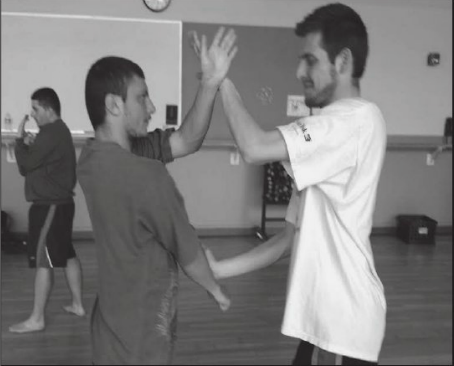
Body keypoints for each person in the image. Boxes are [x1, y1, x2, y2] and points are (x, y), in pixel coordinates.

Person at [198, 3, 387, 365]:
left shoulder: (354, 122)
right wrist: (221, 269)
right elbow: (288, 241)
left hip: (344, 328)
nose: (299, 71)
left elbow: (253, 147)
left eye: (310, 60)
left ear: (343, 62)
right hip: (322, 325)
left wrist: (221, 81)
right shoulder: (326, 147)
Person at [77, 27, 237, 365]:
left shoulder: (91, 159)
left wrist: (209, 84)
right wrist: (215, 289)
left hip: (109, 331)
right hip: (141, 342)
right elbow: (188, 251)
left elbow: (187, 140)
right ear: (114, 104)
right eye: (142, 97)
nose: (151, 106)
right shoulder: (146, 174)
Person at [10, 87, 86, 334]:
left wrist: (20, 141)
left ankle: (37, 318)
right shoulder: (56, 131)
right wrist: (32, 144)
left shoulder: (51, 133)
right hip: (60, 205)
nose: (32, 114)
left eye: (35, 109)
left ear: (48, 109)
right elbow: (41, 159)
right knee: (67, 254)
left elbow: (25, 166)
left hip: (49, 207)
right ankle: (77, 304)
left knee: (45, 262)